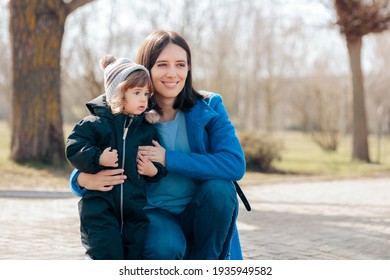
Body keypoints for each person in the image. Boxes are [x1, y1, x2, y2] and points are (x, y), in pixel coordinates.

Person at [69, 30, 247, 260]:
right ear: (146, 69)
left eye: (180, 64)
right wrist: (80, 180)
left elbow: (234, 165)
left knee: (220, 189)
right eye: (162, 65)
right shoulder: (128, 110)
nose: (172, 73)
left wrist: (167, 158)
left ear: (188, 69)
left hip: (203, 214)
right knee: (165, 245)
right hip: (151, 214)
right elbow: (85, 158)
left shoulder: (209, 106)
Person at [66, 55, 167, 260]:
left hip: (134, 213)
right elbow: (73, 147)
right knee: (107, 255)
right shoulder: (94, 123)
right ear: (118, 94)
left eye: (146, 94)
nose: (143, 99)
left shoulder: (146, 130)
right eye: (136, 93)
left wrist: (154, 170)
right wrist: (98, 158)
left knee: (133, 258)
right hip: (99, 212)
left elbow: (158, 160)